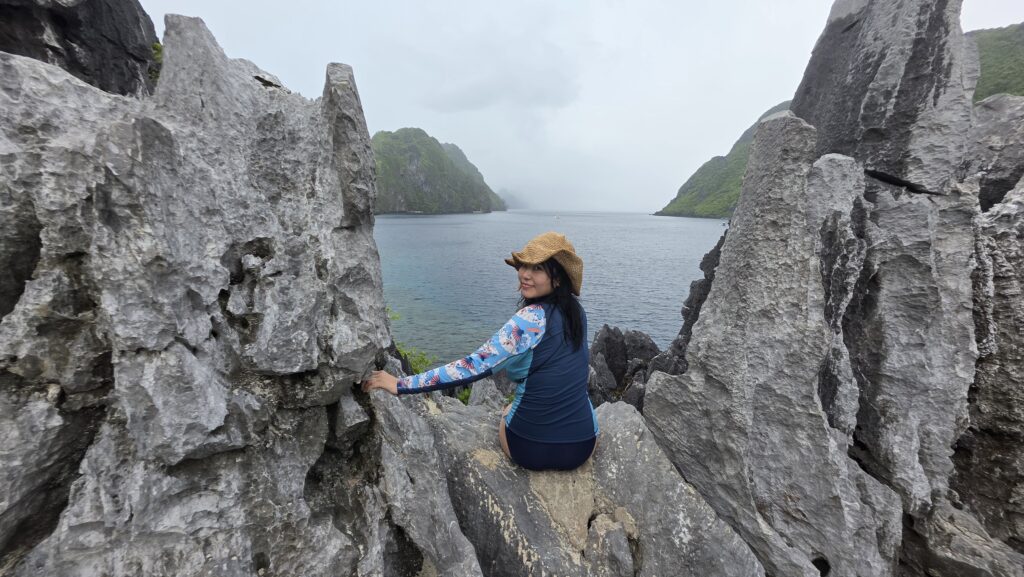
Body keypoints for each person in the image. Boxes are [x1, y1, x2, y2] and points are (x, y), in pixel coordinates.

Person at [362, 231, 598, 471]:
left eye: (537, 268)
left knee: (507, 415)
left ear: (557, 279)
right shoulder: (577, 314)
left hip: (530, 450)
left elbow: (471, 367)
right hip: (582, 446)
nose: (524, 275)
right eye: (523, 266)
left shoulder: (529, 319)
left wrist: (399, 385)